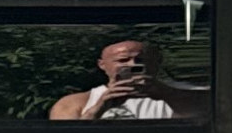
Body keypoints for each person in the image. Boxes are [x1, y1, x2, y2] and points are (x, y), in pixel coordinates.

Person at [50, 35, 208, 123]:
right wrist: (98, 109)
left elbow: (207, 130)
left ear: (157, 62)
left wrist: (168, 94)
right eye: (122, 60)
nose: (133, 65)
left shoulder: (191, 93)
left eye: (141, 60)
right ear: (102, 65)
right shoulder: (74, 103)